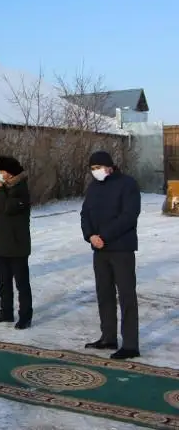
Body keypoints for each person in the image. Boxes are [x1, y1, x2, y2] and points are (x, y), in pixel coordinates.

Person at [80, 151, 141, 360]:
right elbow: (84, 213)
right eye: (92, 168)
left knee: (126, 295)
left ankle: (131, 344)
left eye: (98, 167)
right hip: (99, 249)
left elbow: (129, 216)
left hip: (121, 248)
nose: (95, 172)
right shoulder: (94, 187)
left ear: (110, 166)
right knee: (104, 293)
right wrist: (90, 235)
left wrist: (104, 236)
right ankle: (108, 337)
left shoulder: (127, 184)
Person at [0, 156, 33, 329]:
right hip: (0, 243)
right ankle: (6, 312)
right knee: (3, 282)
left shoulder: (20, 189)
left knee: (21, 283)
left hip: (17, 244)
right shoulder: (1, 190)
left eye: (2, 172)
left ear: (10, 174)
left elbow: (7, 208)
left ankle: (25, 316)